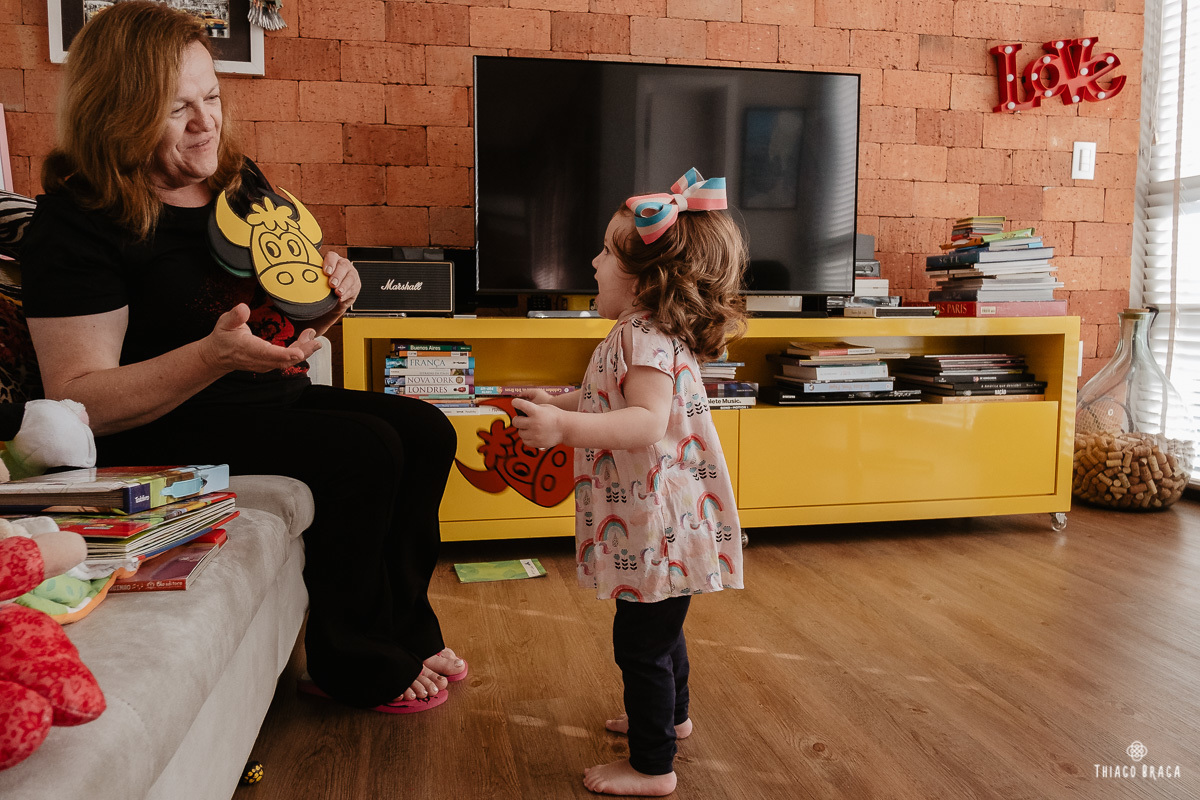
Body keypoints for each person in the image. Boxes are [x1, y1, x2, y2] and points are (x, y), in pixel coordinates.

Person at [19, 1, 465, 714]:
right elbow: (81, 399)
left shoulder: (238, 182)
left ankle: (405, 628)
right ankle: (353, 663)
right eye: (176, 109)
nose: (207, 124)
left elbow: (284, 307)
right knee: (366, 450)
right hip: (161, 424)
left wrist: (329, 292)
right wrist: (211, 358)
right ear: (118, 112)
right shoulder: (77, 223)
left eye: (213, 97)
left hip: (258, 392)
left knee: (427, 430)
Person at [512, 169, 746, 796]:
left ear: (644, 277)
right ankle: (672, 717)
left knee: (640, 643)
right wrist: (561, 400)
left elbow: (643, 422)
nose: (592, 261)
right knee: (662, 630)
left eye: (605, 253)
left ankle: (652, 765)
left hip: (655, 525)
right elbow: (612, 400)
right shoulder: (647, 335)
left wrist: (561, 425)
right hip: (665, 520)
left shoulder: (640, 336)